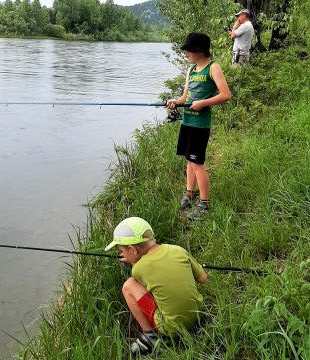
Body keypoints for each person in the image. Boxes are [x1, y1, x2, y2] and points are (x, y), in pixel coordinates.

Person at [104, 216, 207, 356]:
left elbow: (143, 276)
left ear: (132, 250)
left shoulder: (138, 269)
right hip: (198, 313)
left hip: (172, 327)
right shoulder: (178, 250)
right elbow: (203, 278)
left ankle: (149, 335)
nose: (121, 254)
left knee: (128, 286)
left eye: (121, 251)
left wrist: (134, 263)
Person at [167, 33, 231, 220]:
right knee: (189, 160)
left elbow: (226, 95)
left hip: (200, 125)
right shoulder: (191, 70)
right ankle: (189, 193)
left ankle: (204, 204)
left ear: (199, 51)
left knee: (197, 163)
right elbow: (185, 97)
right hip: (187, 121)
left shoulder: (213, 68)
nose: (186, 53)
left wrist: (203, 103)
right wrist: (175, 102)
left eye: (189, 50)